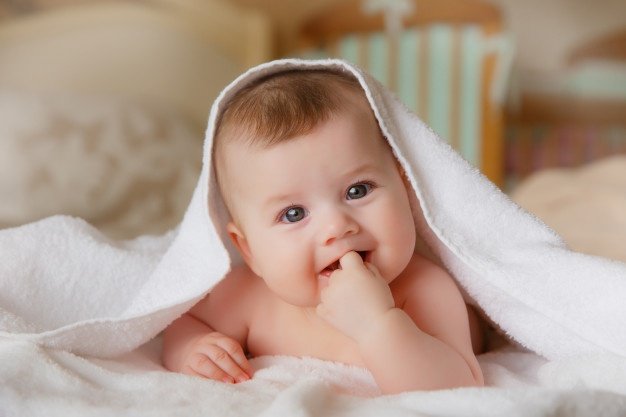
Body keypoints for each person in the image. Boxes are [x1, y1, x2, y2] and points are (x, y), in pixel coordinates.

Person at [161, 68, 485, 394]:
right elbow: (182, 321)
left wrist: (378, 324)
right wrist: (191, 349)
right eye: (293, 213)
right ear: (248, 251)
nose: (336, 227)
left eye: (357, 190)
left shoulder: (424, 290)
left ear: (404, 186)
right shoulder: (249, 296)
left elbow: (459, 387)